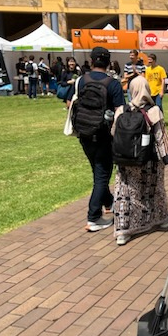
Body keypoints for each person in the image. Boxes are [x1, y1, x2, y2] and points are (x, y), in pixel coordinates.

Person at [112, 76, 168, 246]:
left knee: (125, 193)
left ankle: (123, 230)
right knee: (153, 191)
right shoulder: (153, 111)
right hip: (149, 160)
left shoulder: (121, 110)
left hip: (125, 159)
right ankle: (159, 219)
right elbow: (161, 137)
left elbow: (113, 133)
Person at [67, 47, 125, 231]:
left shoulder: (80, 81)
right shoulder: (113, 84)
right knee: (101, 176)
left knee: (98, 173)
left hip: (84, 134)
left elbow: (70, 103)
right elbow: (120, 112)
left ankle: (109, 203)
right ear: (108, 63)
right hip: (104, 135)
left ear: (91, 61)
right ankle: (93, 217)